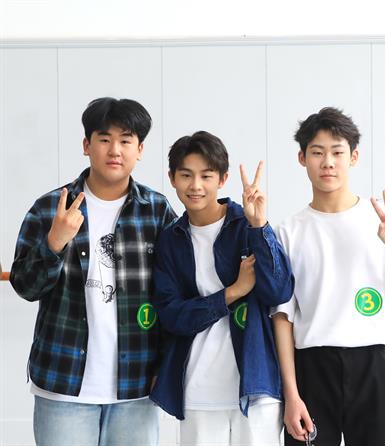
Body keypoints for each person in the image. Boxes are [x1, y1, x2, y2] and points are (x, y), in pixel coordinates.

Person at [10, 97, 177, 445]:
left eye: (126, 140)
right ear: (87, 145)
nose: (114, 150)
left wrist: (167, 366)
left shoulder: (156, 211)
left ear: (140, 149)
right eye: (104, 139)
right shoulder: (49, 208)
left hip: (137, 385)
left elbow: (173, 294)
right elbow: (25, 287)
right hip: (63, 384)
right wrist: (54, 242)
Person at [271, 107, 385, 446]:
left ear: (353, 157)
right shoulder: (288, 231)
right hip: (312, 367)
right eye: (317, 152)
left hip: (374, 365)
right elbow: (283, 317)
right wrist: (291, 395)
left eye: (337, 152)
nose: (328, 162)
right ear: (302, 158)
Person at [149, 131, 294, 445]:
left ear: (223, 179)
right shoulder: (171, 240)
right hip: (198, 390)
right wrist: (232, 292)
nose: (196, 185)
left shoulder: (247, 225)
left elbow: (280, 291)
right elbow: (172, 315)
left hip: (255, 387)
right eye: (186, 175)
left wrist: (259, 227)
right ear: (172, 178)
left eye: (206, 176)